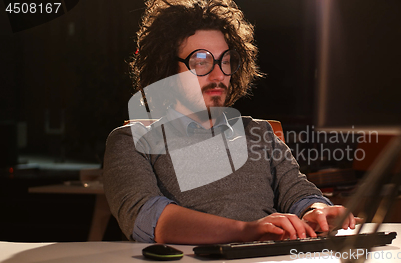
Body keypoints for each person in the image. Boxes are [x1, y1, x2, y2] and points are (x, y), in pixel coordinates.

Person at [103, 0, 359, 244]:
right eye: (201, 62)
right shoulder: (131, 140)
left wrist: (317, 211)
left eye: (225, 61)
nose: (219, 74)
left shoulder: (258, 132)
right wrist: (248, 231)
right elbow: (149, 219)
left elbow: (299, 193)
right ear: (167, 69)